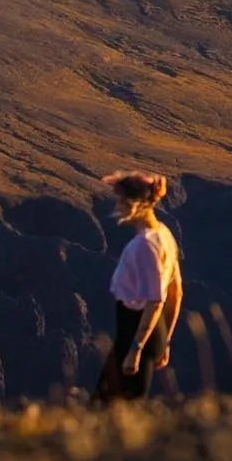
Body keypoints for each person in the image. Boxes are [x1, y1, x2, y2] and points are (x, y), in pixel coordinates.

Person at [93, 169, 183, 402]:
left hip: (135, 331)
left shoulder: (145, 245)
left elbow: (155, 300)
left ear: (135, 203)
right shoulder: (164, 234)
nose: (118, 207)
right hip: (153, 332)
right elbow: (176, 292)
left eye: (122, 200)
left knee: (110, 406)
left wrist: (136, 349)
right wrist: (166, 341)